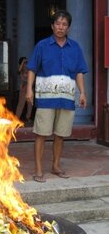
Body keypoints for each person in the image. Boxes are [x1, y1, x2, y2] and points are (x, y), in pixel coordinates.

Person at [26, 10, 88, 183]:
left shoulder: (75, 47)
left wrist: (82, 92)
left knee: (60, 134)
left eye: (64, 24)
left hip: (66, 98)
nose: (60, 27)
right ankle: (39, 169)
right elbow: (32, 68)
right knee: (41, 134)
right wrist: (29, 89)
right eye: (58, 24)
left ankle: (55, 165)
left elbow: (80, 72)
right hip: (46, 98)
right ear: (52, 26)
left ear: (68, 27)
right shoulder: (42, 46)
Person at [15, 57, 33, 123]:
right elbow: (18, 71)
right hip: (23, 89)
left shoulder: (29, 68)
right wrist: (22, 62)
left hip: (29, 88)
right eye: (24, 63)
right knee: (21, 104)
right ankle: (16, 118)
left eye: (26, 62)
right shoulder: (21, 69)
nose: (26, 64)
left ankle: (28, 118)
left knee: (30, 104)